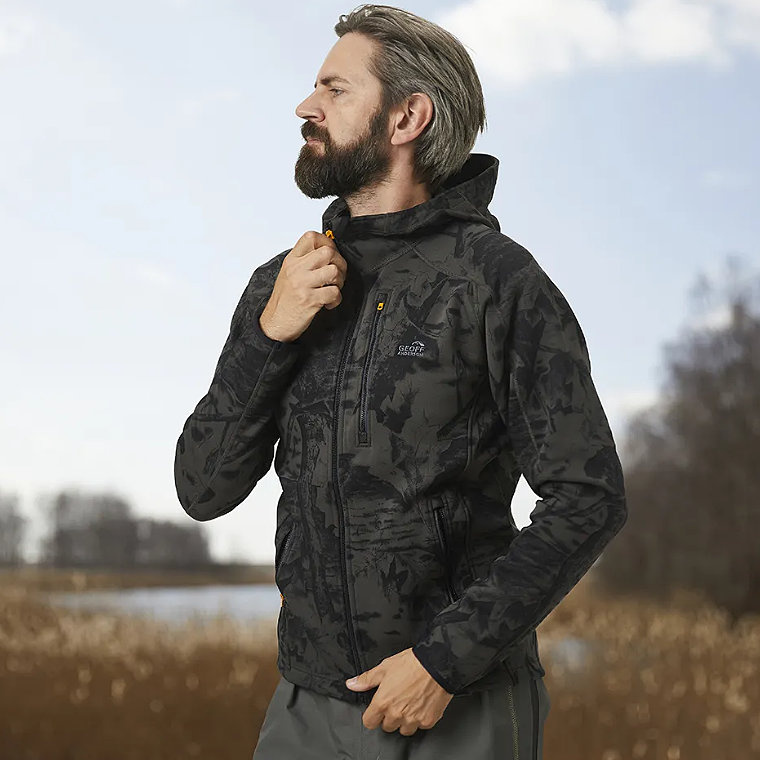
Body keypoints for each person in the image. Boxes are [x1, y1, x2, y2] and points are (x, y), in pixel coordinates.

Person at [173, 4, 628, 758]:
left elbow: (589, 495)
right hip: (305, 707)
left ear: (407, 117)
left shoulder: (497, 282)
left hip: (458, 705)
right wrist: (269, 335)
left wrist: (446, 660)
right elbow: (202, 488)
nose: (305, 106)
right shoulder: (282, 284)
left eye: (334, 89)